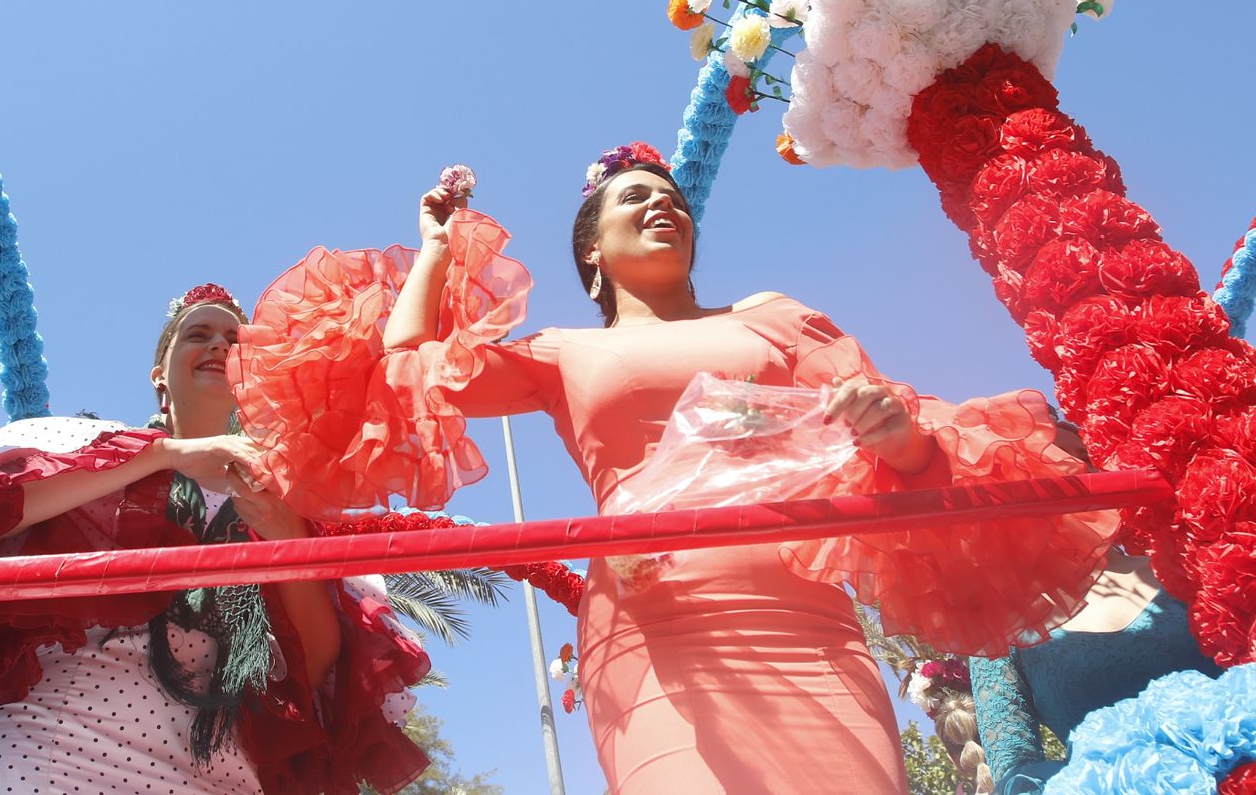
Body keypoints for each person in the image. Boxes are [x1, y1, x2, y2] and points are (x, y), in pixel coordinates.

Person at [230, 146, 1120, 795]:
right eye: (635, 198)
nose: (663, 206)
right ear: (592, 248)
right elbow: (407, 366)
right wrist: (435, 245)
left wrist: (897, 438)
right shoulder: (560, 350)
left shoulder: (773, 318)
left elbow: (902, 440)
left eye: (673, 199)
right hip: (652, 630)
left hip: (806, 619)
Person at [0, 283, 430, 795]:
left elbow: (316, 671)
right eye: (198, 334)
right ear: (160, 376)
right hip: (37, 752)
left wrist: (285, 536)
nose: (218, 343)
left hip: (213, 772)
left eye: (235, 339)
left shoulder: (296, 504)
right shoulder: (84, 445)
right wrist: (164, 456)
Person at [967, 420, 1223, 794]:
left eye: (1084, 455)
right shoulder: (1001, 634)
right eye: (1054, 458)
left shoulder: (1187, 565)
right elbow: (1015, 767)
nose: (1081, 468)